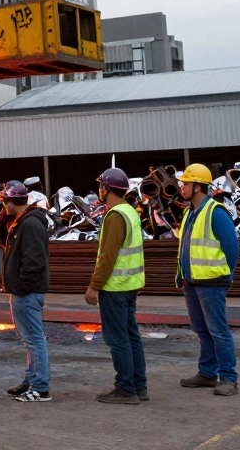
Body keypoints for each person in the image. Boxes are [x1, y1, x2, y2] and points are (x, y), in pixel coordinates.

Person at [175, 163, 240, 396]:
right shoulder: (190, 212)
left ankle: (229, 378)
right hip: (192, 282)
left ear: (198, 187)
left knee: (218, 331)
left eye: (186, 183)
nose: (182, 187)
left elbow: (231, 248)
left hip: (211, 283)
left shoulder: (216, 212)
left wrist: (224, 275)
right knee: (202, 330)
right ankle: (207, 373)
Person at [85, 168, 148, 404]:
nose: (100, 190)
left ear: (107, 189)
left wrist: (94, 286)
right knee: (131, 336)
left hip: (116, 288)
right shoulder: (130, 212)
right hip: (131, 285)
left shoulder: (114, 216)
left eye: (101, 186)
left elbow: (107, 257)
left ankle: (125, 389)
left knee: (117, 338)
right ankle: (138, 386)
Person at [0, 180, 51, 402]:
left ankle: (40, 387)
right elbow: (1, 240)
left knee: (35, 339)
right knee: (30, 339)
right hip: (24, 291)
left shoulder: (31, 224)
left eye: (4, 202)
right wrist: (2, 218)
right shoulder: (21, 222)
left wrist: (20, 287)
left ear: (10, 201)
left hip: (27, 292)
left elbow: (34, 262)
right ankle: (32, 381)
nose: (3, 207)